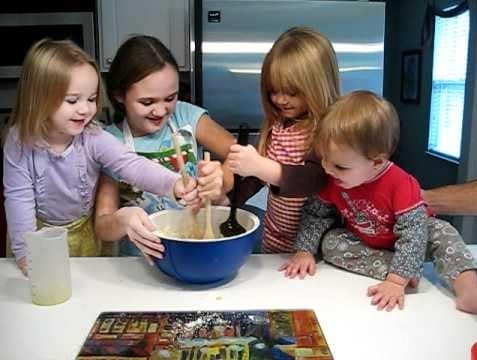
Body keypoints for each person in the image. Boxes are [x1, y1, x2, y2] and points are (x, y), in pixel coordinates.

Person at [3, 39, 198, 276]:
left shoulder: (93, 136)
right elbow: (18, 198)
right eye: (73, 100)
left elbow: (131, 165)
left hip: (85, 235)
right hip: (37, 237)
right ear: (39, 98)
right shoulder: (19, 141)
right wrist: (26, 253)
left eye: (91, 99)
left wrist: (173, 183)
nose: (85, 109)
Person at [281, 90, 477, 314]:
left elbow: (414, 231)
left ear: (376, 162)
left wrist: (395, 282)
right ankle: (406, 269)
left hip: (416, 239)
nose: (327, 168)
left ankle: (469, 289)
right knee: (330, 243)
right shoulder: (332, 178)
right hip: (370, 242)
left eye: (340, 166)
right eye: (324, 158)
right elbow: (316, 213)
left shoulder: (401, 183)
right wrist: (304, 250)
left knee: (444, 232)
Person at [94, 35, 236, 258]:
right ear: (119, 95)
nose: (160, 111)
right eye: (147, 102)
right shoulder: (107, 142)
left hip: (195, 245)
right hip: (141, 259)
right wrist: (123, 219)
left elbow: (240, 156)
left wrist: (221, 180)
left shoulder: (187, 116)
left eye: (170, 98)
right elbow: (102, 226)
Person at [226, 27, 339, 253]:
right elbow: (258, 180)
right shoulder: (278, 127)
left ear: (317, 85)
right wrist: (228, 200)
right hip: (276, 237)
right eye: (273, 91)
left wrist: (261, 166)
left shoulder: (328, 132)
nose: (279, 99)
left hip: (316, 247)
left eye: (291, 92)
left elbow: (313, 179)